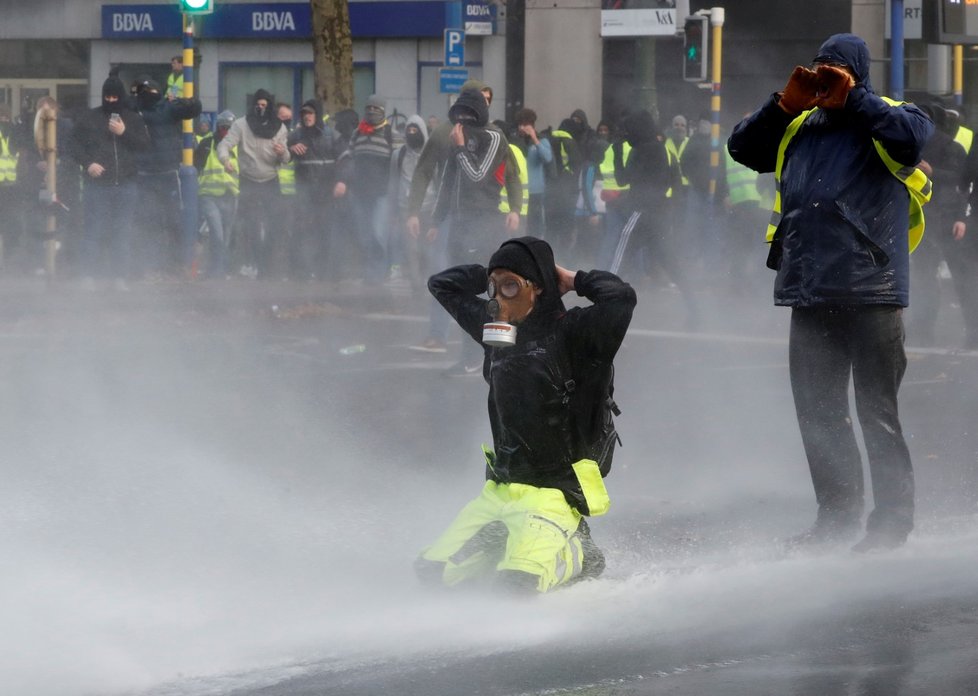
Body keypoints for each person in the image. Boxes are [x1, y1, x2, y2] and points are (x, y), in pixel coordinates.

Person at [727, 33, 934, 552]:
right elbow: (743, 149)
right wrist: (783, 104)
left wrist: (854, 99)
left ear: (858, 74)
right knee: (819, 415)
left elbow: (912, 139)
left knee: (876, 413)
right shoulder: (797, 124)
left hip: (872, 290)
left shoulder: (886, 114)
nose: (824, 80)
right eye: (818, 70)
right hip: (809, 289)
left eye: (835, 72)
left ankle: (890, 526)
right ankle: (836, 520)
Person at [416, 236, 636, 592]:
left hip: (555, 492)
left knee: (517, 583)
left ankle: (579, 550)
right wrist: (490, 275)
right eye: (495, 288)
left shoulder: (577, 334)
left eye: (511, 286)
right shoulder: (497, 332)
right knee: (433, 572)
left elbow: (621, 298)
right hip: (502, 489)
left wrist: (572, 279)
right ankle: (507, 541)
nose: (499, 300)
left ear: (537, 288)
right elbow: (442, 285)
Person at [430, 87, 523, 375]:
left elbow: (478, 177)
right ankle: (471, 354)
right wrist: (435, 221)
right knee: (462, 292)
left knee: (493, 293)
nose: (462, 125)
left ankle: (499, 354)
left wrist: (459, 148)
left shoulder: (494, 138)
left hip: (483, 224)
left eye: (467, 118)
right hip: (459, 225)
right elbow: (447, 184)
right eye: (457, 118)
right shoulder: (456, 141)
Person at [68, 72, 150, 288]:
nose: (111, 102)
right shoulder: (90, 118)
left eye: (115, 98)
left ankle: (119, 277)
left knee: (122, 233)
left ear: (121, 97)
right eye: (108, 98)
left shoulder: (133, 118)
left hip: (126, 185)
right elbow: (73, 146)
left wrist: (124, 133)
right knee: (92, 232)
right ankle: (88, 277)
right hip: (97, 186)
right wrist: (88, 164)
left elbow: (143, 145)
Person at [132, 76, 202, 276]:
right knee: (147, 221)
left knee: (172, 220)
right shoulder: (136, 109)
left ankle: (175, 263)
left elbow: (195, 108)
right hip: (145, 173)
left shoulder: (167, 108)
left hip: (166, 172)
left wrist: (184, 100)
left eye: (150, 92)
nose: (147, 96)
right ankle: (149, 264)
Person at [216, 88, 290, 279]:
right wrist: (226, 160)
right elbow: (224, 145)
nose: (261, 108)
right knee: (252, 226)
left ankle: (267, 265)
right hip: (248, 181)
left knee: (275, 225)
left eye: (265, 105)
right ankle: (258, 265)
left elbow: (287, 158)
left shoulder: (280, 127)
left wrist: (282, 152)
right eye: (258, 105)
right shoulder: (241, 125)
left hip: (271, 181)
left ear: (270, 106)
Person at [287, 99, 348, 280]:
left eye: (311, 113)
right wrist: (289, 148)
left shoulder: (331, 135)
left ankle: (324, 273)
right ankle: (304, 273)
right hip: (304, 191)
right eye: (304, 113)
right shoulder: (296, 135)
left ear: (318, 115)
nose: (307, 117)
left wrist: (342, 181)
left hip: (325, 191)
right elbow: (282, 155)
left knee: (325, 231)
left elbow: (345, 159)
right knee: (304, 230)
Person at [194, 110, 238, 278]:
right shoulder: (206, 144)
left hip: (230, 195)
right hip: (209, 195)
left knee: (226, 236)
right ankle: (216, 270)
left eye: (229, 128)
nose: (225, 131)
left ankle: (221, 269)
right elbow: (195, 166)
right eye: (222, 127)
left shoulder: (239, 146)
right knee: (217, 234)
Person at [512, 107, 553, 238]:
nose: (522, 128)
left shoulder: (542, 140)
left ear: (532, 125)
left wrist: (535, 139)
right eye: (520, 125)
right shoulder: (516, 142)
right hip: (520, 191)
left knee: (536, 225)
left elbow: (547, 157)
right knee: (522, 226)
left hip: (536, 192)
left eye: (525, 125)